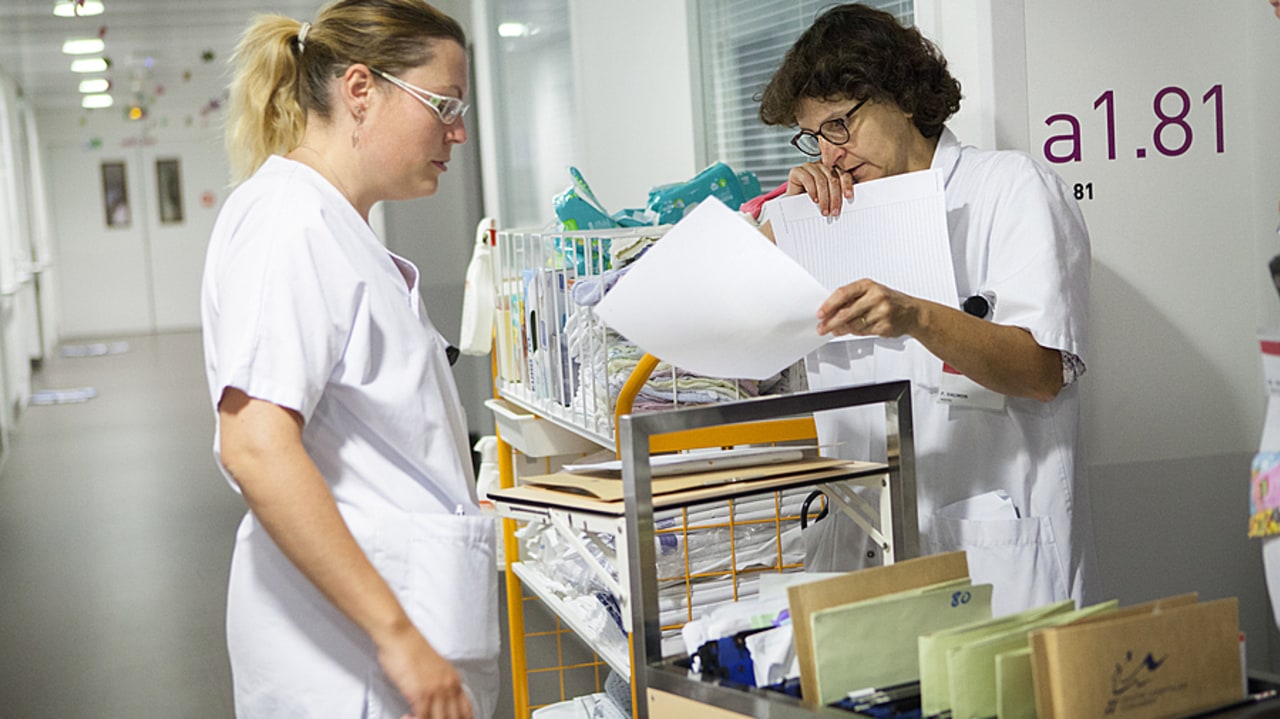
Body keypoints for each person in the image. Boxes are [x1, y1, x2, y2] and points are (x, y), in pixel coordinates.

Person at [202, 2, 497, 717]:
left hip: (393, 631)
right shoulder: (289, 223)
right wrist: (397, 637)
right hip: (348, 662)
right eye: (444, 104)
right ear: (360, 90)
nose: (457, 130)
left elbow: (370, 441)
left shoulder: (337, 226)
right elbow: (255, 446)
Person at [758, 4, 1096, 617]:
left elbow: (1042, 372)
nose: (829, 154)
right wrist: (782, 236)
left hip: (993, 557)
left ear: (904, 97)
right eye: (815, 136)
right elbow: (758, 367)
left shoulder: (1010, 189)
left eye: (841, 124)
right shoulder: (823, 218)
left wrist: (918, 316)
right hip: (860, 557)